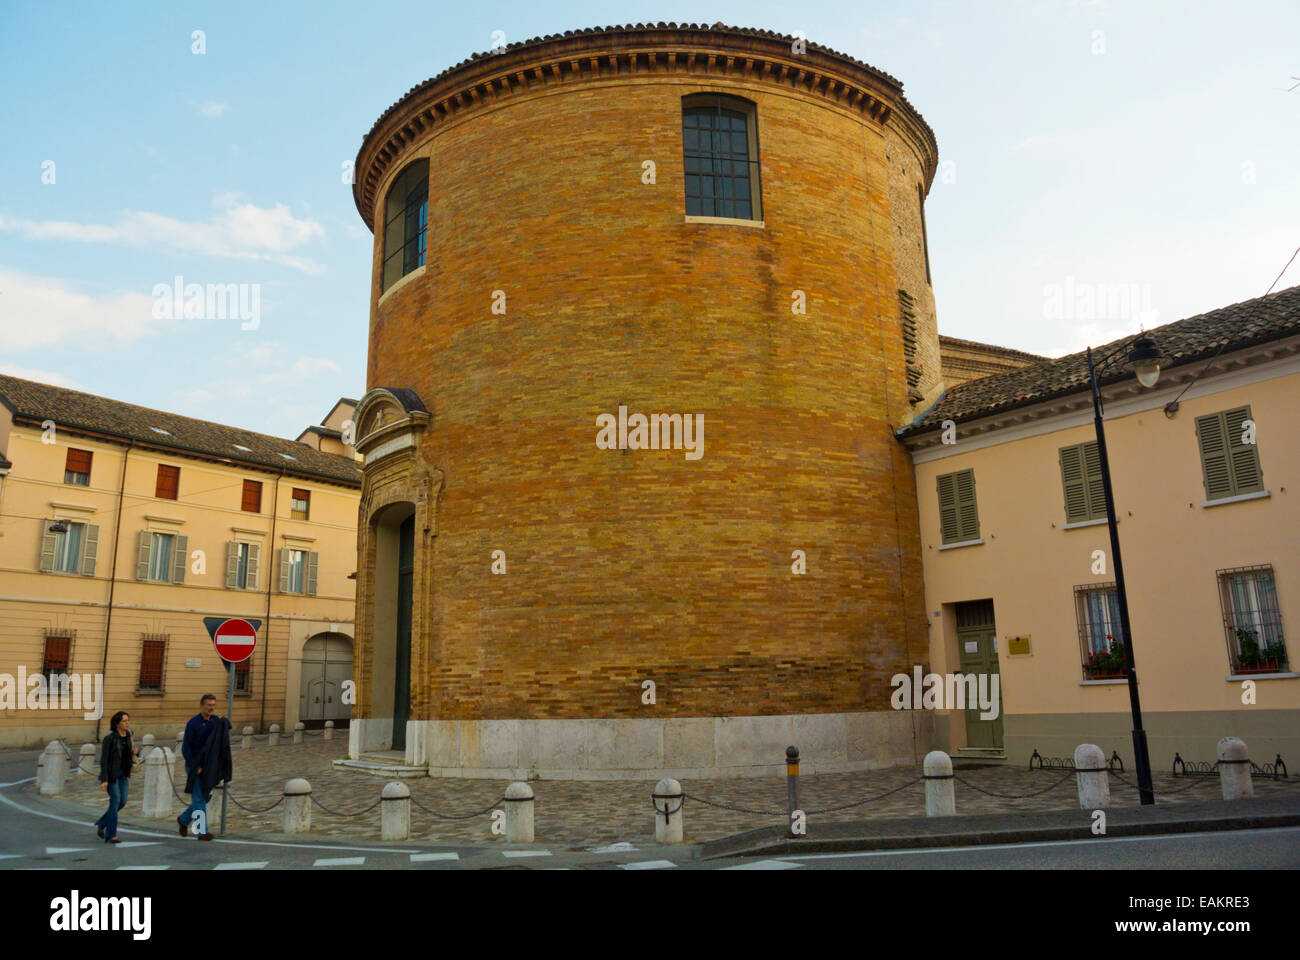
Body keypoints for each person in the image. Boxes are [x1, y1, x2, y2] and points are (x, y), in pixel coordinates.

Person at [178, 694, 218, 840]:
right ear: (201, 706)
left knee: (205, 797)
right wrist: (194, 766)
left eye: (213, 705)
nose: (211, 707)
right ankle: (202, 831)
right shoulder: (193, 723)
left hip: (209, 767)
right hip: (195, 766)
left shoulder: (215, 722)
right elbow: (186, 747)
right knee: (199, 797)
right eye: (208, 705)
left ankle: (183, 819)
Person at [95, 710, 138, 843]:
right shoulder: (110, 739)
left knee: (122, 801)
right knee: (115, 801)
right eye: (124, 721)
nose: (127, 723)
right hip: (112, 775)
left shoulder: (129, 736)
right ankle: (111, 834)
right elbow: (104, 760)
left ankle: (102, 823)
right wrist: (104, 779)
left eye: (127, 720)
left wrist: (135, 752)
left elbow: (129, 755)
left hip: (124, 774)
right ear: (117, 723)